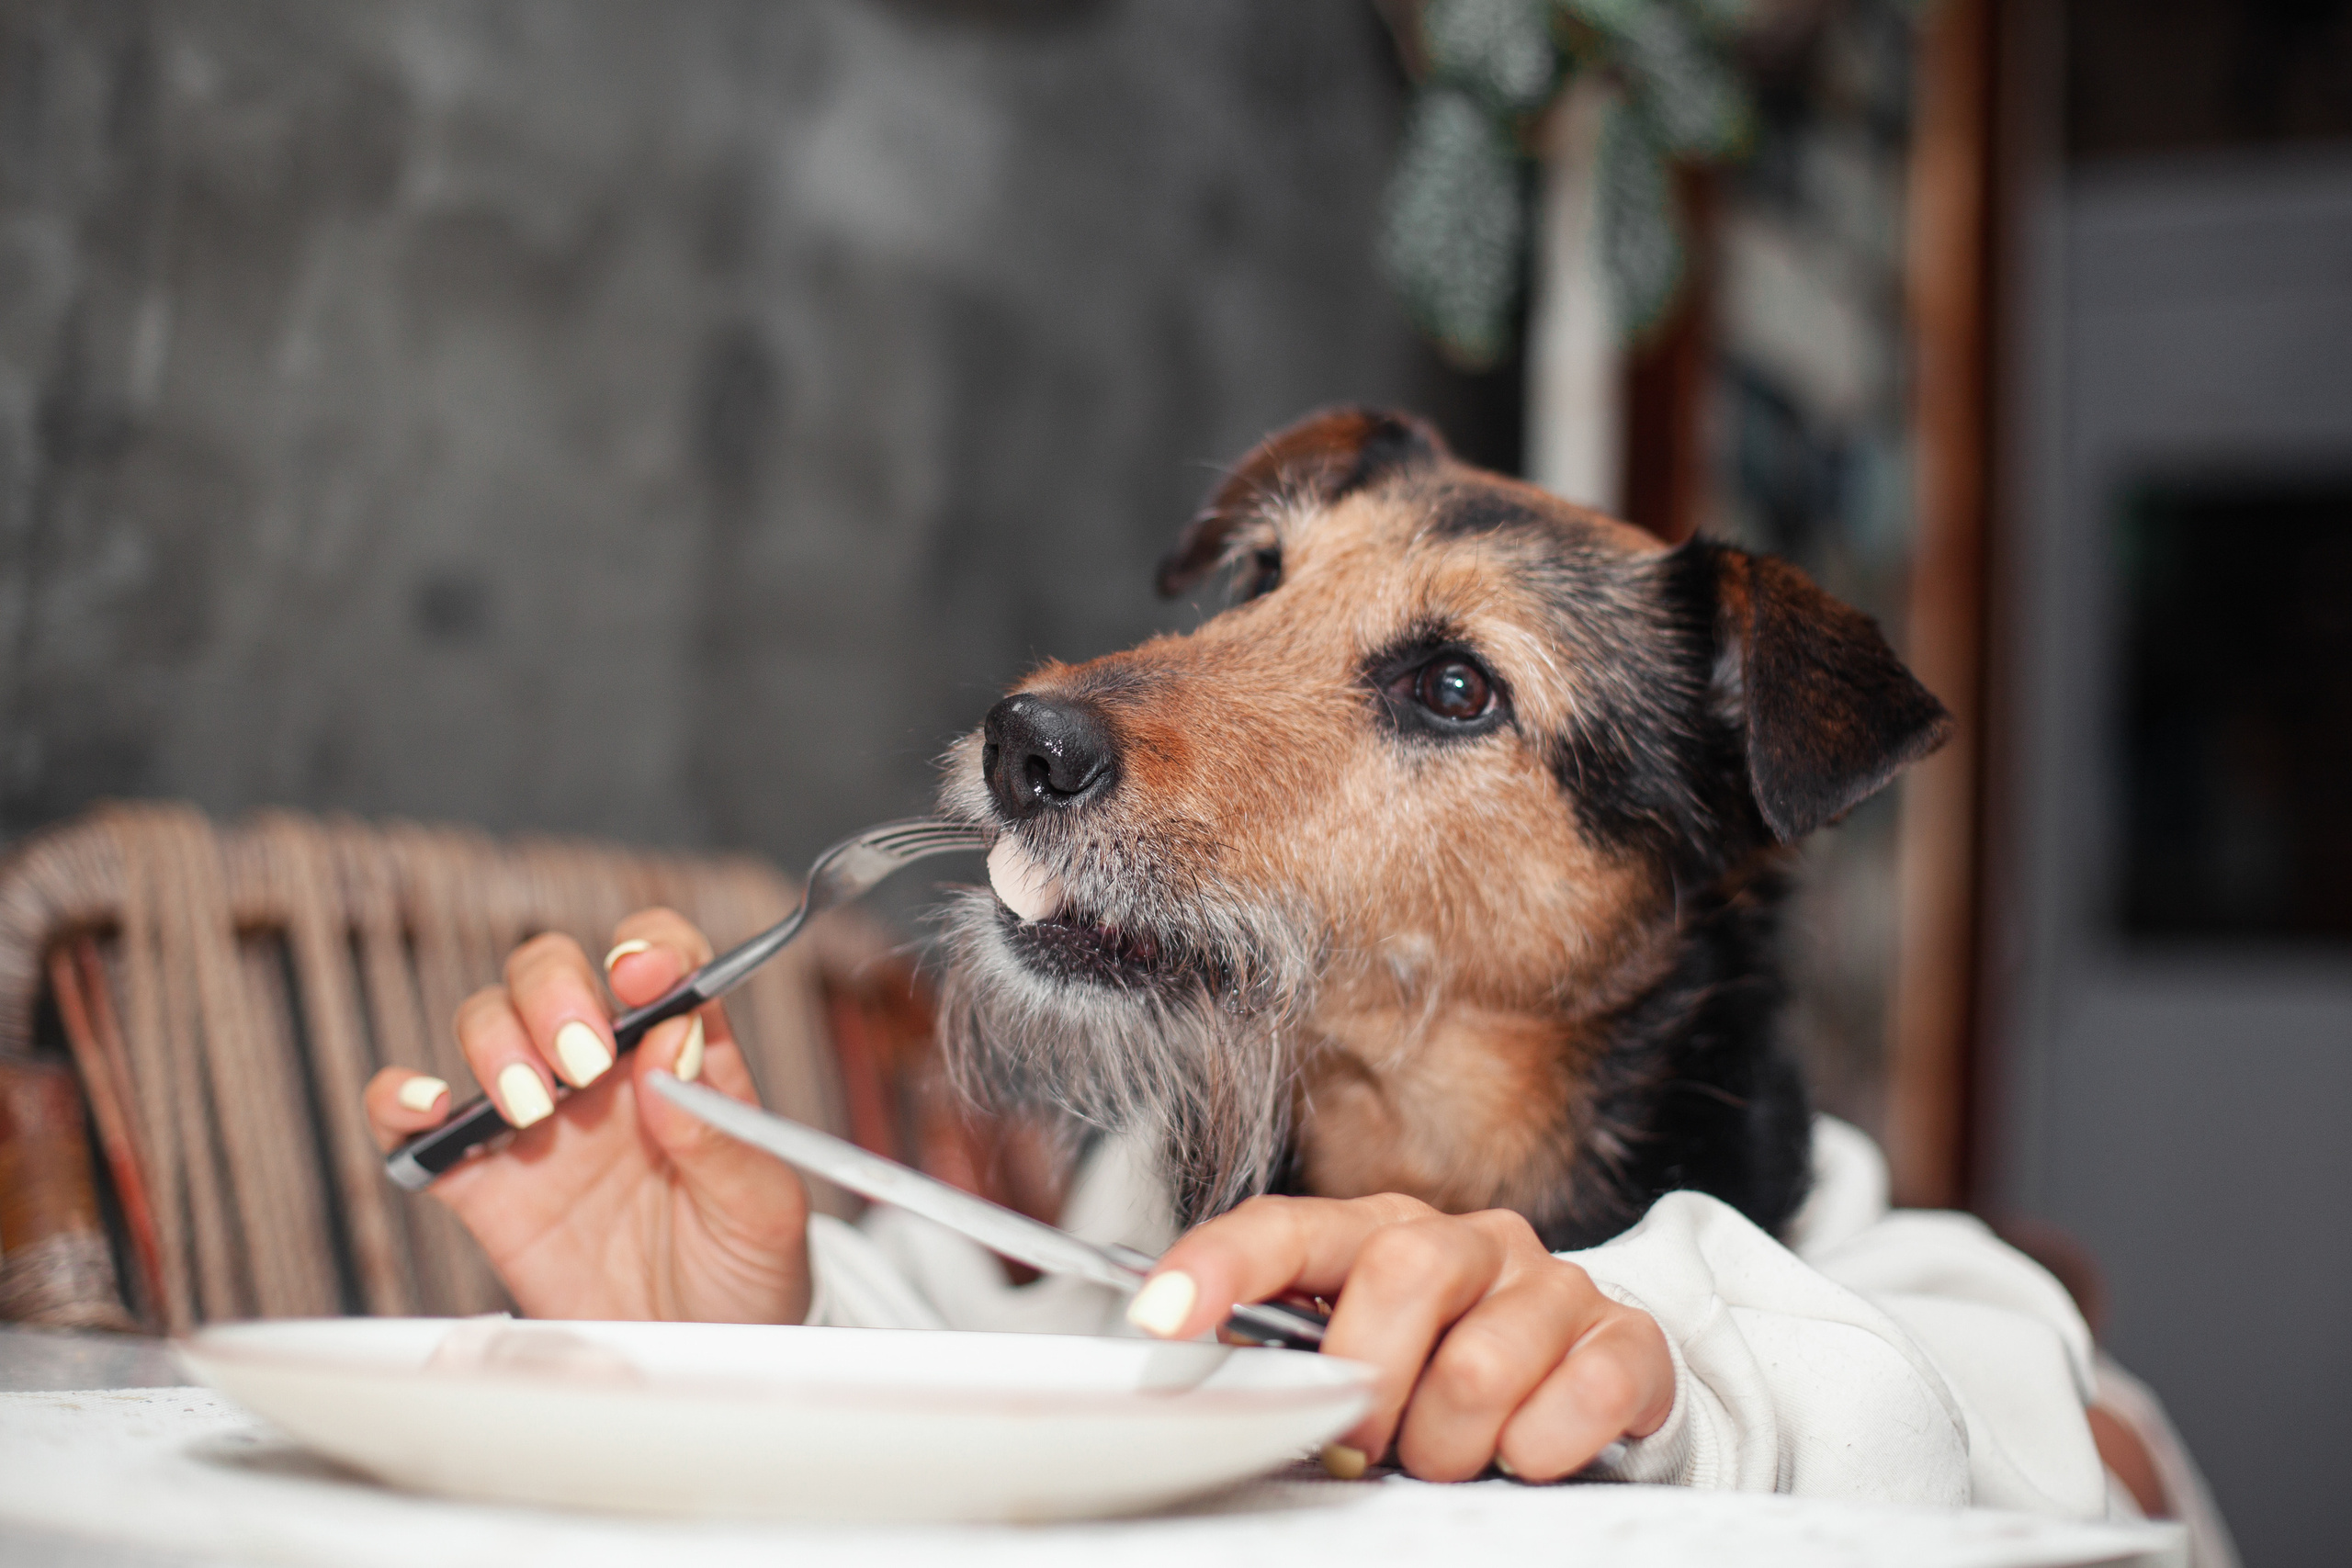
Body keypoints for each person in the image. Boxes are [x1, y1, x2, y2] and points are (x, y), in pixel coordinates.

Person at [366, 908, 2234, 1564]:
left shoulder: (1843, 1250)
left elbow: (2093, 1464)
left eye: (1447, 694)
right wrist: (736, 1339)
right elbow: (1007, 1376)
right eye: (1249, 592)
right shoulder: (1151, 1194)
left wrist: (1673, 1374)